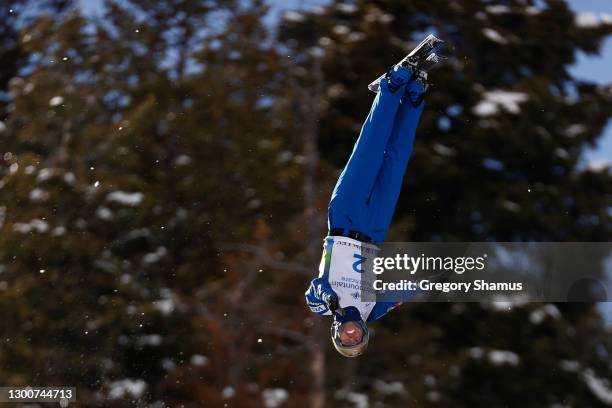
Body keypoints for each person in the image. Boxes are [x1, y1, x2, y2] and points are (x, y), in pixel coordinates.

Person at [304, 42, 443, 357]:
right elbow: (399, 293)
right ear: (364, 333)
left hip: (343, 221)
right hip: (374, 232)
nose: (351, 332)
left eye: (345, 337)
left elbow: (315, 289)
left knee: (369, 150)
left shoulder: (321, 307)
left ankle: (393, 83)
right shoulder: (371, 311)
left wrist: (331, 301)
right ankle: (414, 95)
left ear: (337, 332)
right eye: (356, 338)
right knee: (396, 160)